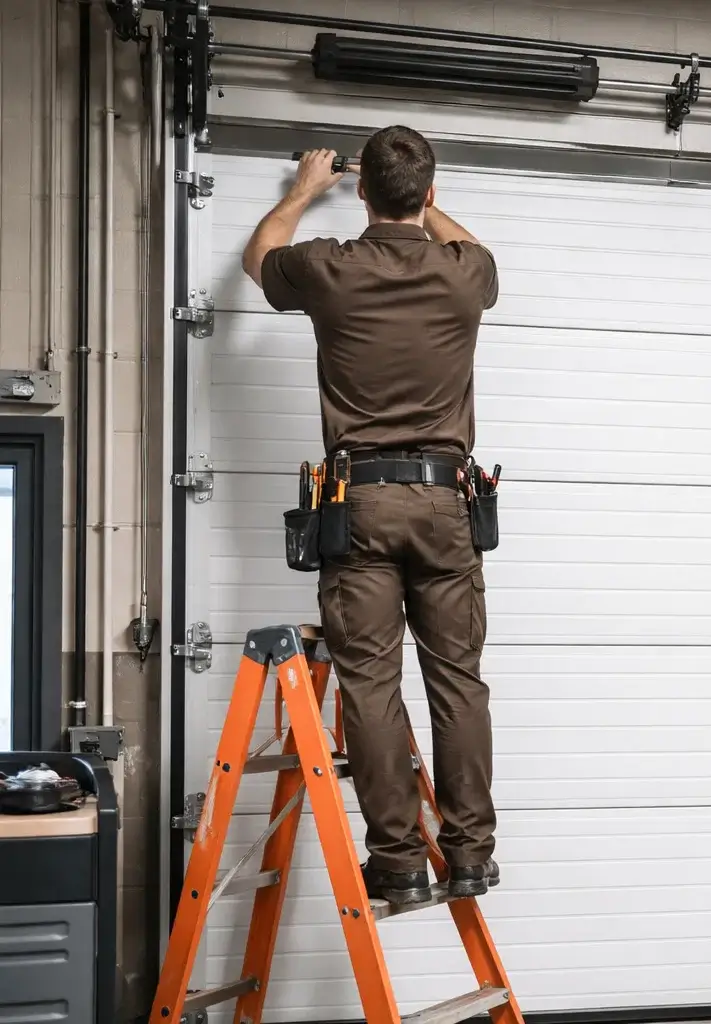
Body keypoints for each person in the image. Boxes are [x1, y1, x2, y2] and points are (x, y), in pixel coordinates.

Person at [241, 127, 499, 905]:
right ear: (429, 193)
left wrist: (301, 191)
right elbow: (470, 245)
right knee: (459, 685)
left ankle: (398, 863)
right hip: (446, 503)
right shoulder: (466, 272)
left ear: (360, 193)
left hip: (361, 505)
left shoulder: (330, 266)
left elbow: (259, 259)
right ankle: (471, 856)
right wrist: (425, 203)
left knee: (372, 686)